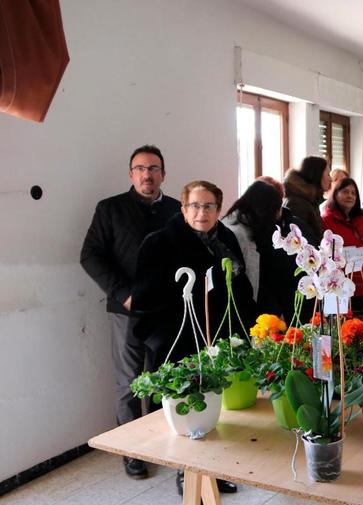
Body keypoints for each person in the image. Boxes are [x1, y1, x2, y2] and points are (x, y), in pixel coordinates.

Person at [132, 180, 257, 495]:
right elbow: (145, 298)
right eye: (195, 206)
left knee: (216, 410)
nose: (202, 212)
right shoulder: (158, 242)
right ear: (184, 208)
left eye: (209, 206)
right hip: (178, 338)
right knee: (189, 410)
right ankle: (187, 475)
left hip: (217, 336)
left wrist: (247, 326)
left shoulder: (225, 237)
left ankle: (214, 470)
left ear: (218, 208)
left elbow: (238, 286)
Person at [80, 144, 181, 479]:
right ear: (131, 174)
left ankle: (156, 439)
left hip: (166, 311)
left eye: (153, 168)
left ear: (163, 174)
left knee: (161, 379)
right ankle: (130, 450)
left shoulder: (177, 210)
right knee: (129, 383)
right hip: (126, 311)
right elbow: (91, 256)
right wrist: (122, 294)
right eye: (140, 168)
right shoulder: (110, 209)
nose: (147, 174)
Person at [223, 180, 303, 322]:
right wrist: (274, 311)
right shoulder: (240, 234)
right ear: (266, 209)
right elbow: (253, 280)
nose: (279, 214)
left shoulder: (245, 225)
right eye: (277, 208)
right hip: (248, 309)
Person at [321, 178, 363, 308]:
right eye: (345, 192)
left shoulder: (360, 220)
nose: (350, 196)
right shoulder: (326, 221)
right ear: (335, 194)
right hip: (343, 286)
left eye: (353, 193)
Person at [284, 156, 330, 240]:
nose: (330, 178)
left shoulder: (310, 199)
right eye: (328, 174)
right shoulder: (297, 203)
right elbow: (299, 241)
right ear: (317, 174)